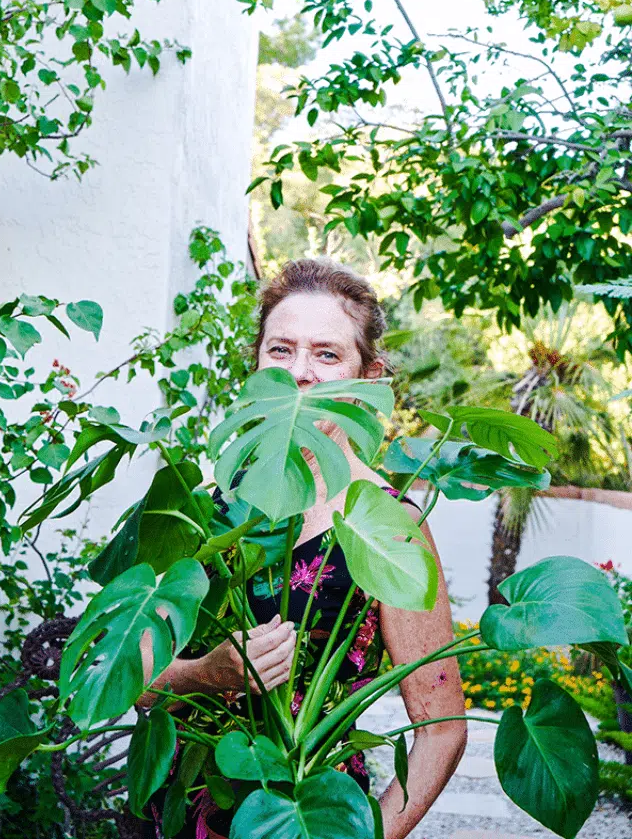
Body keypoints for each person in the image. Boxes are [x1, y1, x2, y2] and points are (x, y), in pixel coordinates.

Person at [139, 259, 467, 839]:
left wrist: (373, 833)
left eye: (327, 353)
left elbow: (441, 728)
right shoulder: (207, 506)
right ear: (258, 366)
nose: (301, 373)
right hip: (182, 804)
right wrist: (202, 674)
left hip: (315, 808)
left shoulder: (391, 524)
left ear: (369, 376)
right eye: (281, 349)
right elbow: (132, 679)